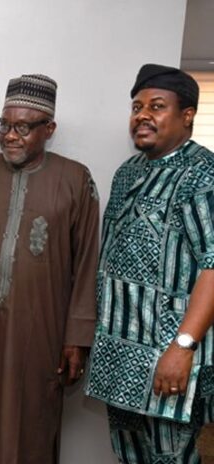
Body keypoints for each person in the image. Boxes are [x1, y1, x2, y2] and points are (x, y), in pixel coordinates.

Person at [0, 74, 100, 464]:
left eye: (23, 127)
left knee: (33, 425)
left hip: (42, 331)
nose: (10, 135)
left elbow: (87, 261)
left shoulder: (76, 179)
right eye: (5, 125)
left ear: (49, 129)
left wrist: (76, 336)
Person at [85, 63, 214, 463]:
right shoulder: (127, 173)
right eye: (136, 106)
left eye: (157, 106)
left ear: (187, 115)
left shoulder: (202, 173)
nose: (142, 115)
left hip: (171, 360)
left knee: (171, 457)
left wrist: (182, 346)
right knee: (129, 457)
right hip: (121, 356)